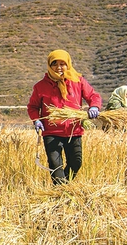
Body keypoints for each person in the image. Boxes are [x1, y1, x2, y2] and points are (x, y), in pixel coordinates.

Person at [26, 49, 102, 185]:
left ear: (68, 64)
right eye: (55, 64)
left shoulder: (78, 81)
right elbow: (33, 107)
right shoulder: (40, 87)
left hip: (73, 131)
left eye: (62, 64)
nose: (59, 67)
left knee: (76, 163)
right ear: (49, 65)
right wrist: (36, 120)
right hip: (51, 132)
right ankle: (61, 191)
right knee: (55, 165)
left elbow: (93, 96)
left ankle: (63, 187)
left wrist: (94, 106)